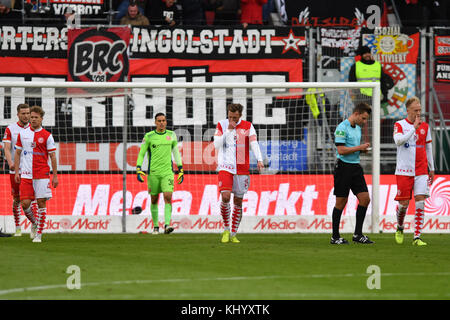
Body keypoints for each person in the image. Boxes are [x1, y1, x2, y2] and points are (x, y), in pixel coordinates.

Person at [214, 103, 264, 243]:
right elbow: (216, 145)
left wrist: (259, 159)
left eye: (235, 118)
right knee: (225, 197)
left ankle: (234, 233)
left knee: (238, 201)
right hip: (225, 166)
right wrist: (228, 130)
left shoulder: (248, 126)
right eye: (230, 117)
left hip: (242, 168)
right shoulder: (222, 125)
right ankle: (226, 229)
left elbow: (254, 143)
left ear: (240, 115)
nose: (232, 120)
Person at [393, 97, 434, 246]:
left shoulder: (425, 126)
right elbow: (398, 141)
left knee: (420, 203)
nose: (418, 113)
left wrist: (432, 167)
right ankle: (400, 226)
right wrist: (413, 129)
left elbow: (428, 147)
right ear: (408, 110)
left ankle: (417, 237)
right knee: (403, 204)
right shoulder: (400, 125)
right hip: (404, 170)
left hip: (421, 169)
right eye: (415, 110)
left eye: (420, 110)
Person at [14, 106, 58, 243]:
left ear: (41, 119)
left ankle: (39, 234)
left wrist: (55, 176)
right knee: (25, 203)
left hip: (42, 174)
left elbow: (53, 156)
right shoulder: (23, 133)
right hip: (26, 174)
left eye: (35, 117)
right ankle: (34, 222)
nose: (32, 119)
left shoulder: (47, 135)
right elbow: (17, 153)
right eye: (31, 117)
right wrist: (17, 171)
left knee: (41, 202)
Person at [331, 102, 373, 245]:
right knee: (341, 202)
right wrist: (359, 147)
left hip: (355, 167)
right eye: (363, 118)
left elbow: (353, 148)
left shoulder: (358, 128)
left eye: (366, 119)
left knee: (365, 199)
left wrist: (362, 150)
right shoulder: (342, 128)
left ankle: (358, 235)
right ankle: (335, 237)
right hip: (343, 168)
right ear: (356, 114)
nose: (364, 122)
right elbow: (341, 150)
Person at [136, 113, 183, 235]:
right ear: (155, 122)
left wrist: (180, 168)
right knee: (154, 199)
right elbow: (141, 153)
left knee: (168, 196)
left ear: (166, 122)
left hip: (167, 172)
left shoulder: (171, 135)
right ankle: (156, 226)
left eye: (163, 120)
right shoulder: (149, 136)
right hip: (153, 173)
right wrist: (138, 168)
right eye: (159, 121)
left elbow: (176, 153)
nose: (162, 123)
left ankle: (167, 225)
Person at [2, 103, 39, 237]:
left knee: (30, 200)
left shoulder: (35, 128)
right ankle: (18, 227)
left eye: (28, 113)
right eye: (23, 113)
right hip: (15, 170)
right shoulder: (10, 129)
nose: (26, 116)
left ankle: (35, 225)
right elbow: (6, 148)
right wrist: (11, 163)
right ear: (18, 114)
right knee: (17, 200)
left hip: (30, 170)